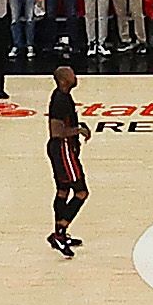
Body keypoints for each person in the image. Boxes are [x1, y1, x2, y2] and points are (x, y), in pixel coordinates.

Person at [43, 62, 91, 258]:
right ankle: (60, 232)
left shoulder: (63, 96)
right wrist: (78, 130)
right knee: (81, 192)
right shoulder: (60, 100)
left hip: (62, 149)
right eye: (71, 74)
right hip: (62, 149)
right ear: (64, 80)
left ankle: (59, 235)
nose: (75, 76)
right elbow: (57, 131)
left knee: (63, 190)